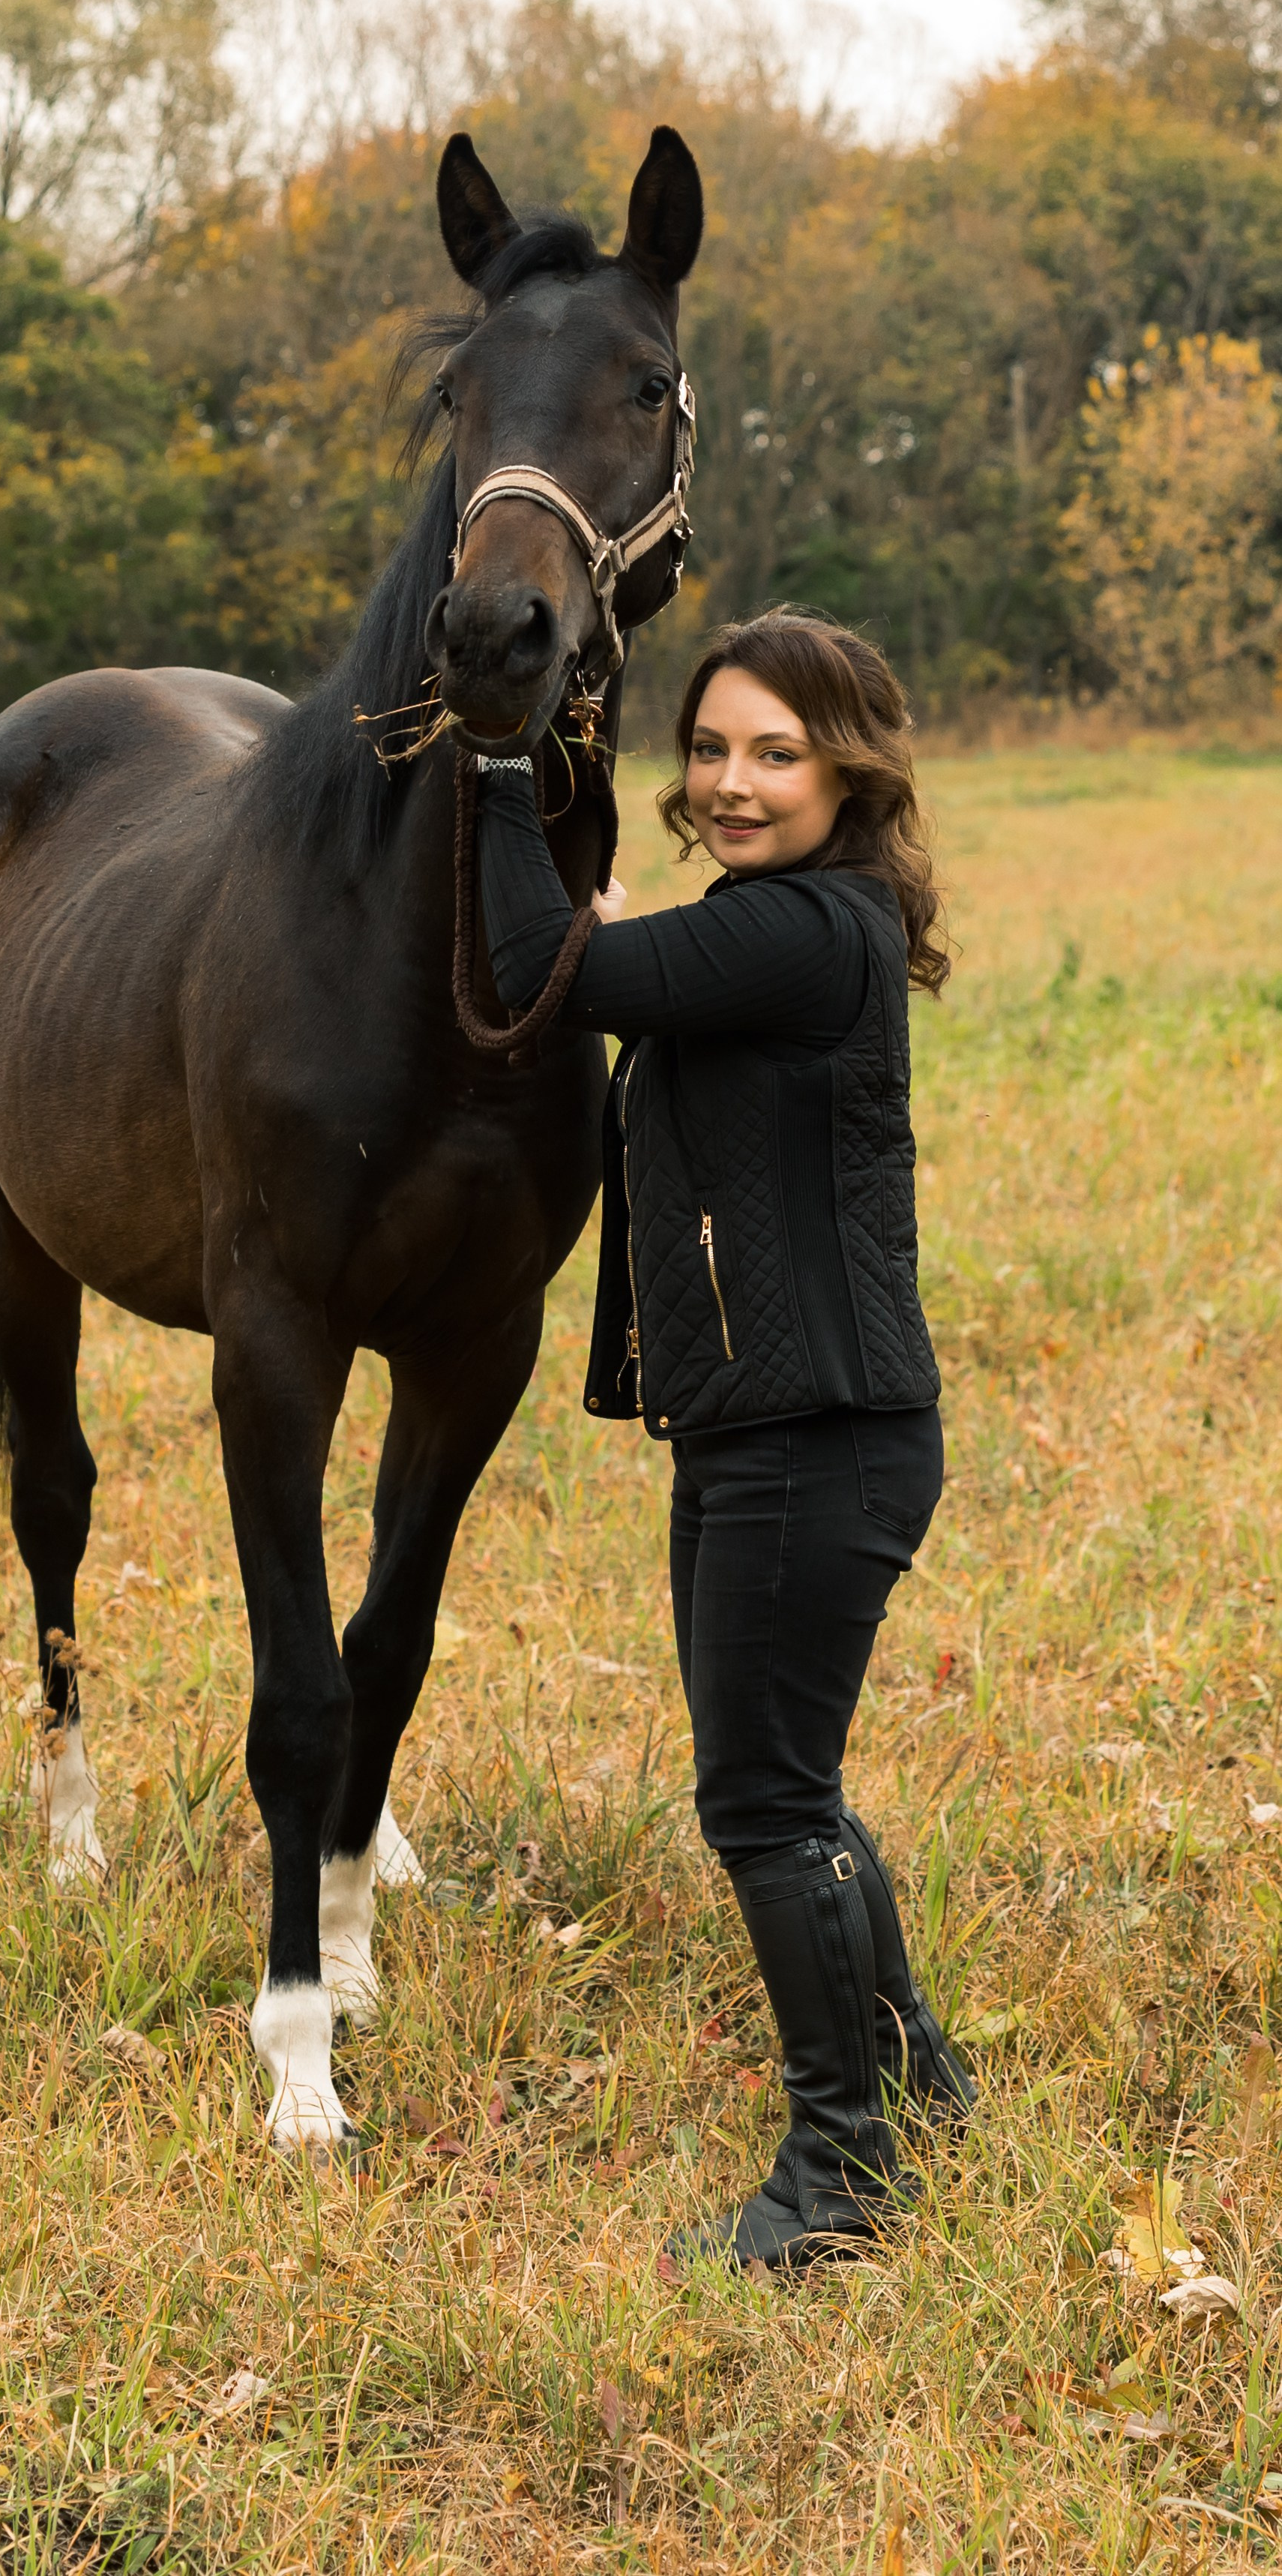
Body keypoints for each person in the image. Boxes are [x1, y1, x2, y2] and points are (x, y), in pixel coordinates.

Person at [474, 607, 974, 2271]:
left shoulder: (800, 934)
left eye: (775, 750)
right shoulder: (773, 921)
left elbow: (559, 975)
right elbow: (628, 971)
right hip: (769, 1430)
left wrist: (492, 766)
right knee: (788, 1788)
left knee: (762, 1802)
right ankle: (914, 2082)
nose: (733, 780)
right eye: (708, 748)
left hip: (808, 1440)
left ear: (849, 766)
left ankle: (841, 2173)